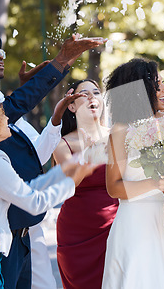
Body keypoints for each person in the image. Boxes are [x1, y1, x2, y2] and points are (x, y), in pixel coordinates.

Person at [0, 30, 101, 289]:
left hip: (21, 230)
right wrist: (60, 61)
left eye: (1, 52)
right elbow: (34, 199)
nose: (0, 57)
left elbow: (33, 166)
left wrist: (71, 164)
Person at [102, 58, 164, 289]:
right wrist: (154, 183)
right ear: (139, 90)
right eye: (157, 83)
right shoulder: (120, 131)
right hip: (136, 225)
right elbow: (113, 187)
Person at [52, 79, 119, 288]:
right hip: (77, 233)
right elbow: (70, 184)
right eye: (84, 94)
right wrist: (88, 155)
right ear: (71, 106)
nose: (92, 97)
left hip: (116, 226)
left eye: (96, 92)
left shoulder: (117, 135)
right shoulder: (62, 144)